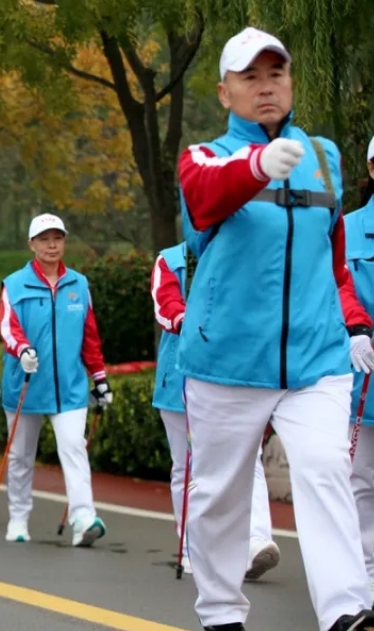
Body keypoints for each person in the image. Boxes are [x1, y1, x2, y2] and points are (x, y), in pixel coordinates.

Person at [177, 26, 374, 631]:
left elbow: (333, 259)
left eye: (276, 74)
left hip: (315, 358)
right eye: (250, 77)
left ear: (290, 82)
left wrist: (355, 324)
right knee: (220, 494)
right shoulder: (202, 157)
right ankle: (220, 611)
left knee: (324, 467)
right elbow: (203, 201)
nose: (266, 87)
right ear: (225, 92)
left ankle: (345, 608)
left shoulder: (324, 156)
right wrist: (257, 165)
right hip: (227, 360)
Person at [150, 242, 280, 579]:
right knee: (187, 467)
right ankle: (191, 547)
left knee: (248, 457)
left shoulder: (246, 251)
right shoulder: (171, 260)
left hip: (233, 375)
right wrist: (197, 323)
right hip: (180, 380)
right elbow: (166, 307)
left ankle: (255, 541)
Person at [0, 213, 109, 547]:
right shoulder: (13, 284)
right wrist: (22, 349)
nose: (51, 245)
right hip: (26, 385)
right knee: (20, 457)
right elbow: (8, 328)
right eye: (44, 239)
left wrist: (100, 377)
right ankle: (18, 518)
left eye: (57, 238)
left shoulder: (79, 284)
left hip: (70, 387)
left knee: (74, 447)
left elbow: (89, 334)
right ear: (31, 244)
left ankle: (83, 518)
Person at [347, 135, 374, 606]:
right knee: (361, 483)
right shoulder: (346, 231)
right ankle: (364, 576)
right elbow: (329, 290)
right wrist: (353, 332)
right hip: (360, 378)